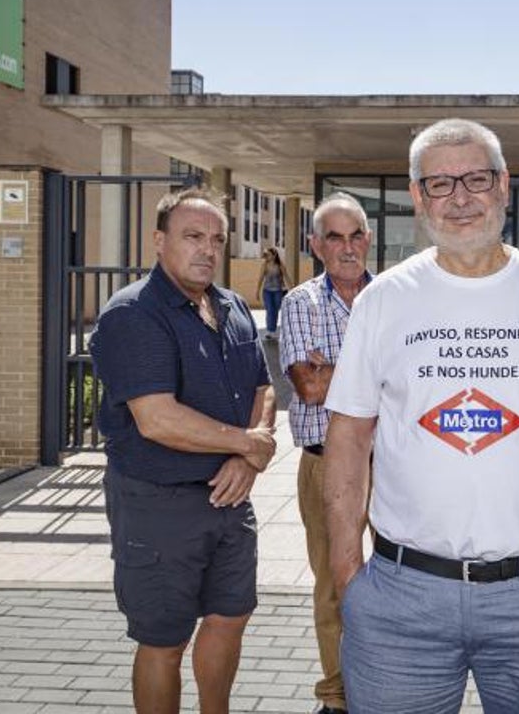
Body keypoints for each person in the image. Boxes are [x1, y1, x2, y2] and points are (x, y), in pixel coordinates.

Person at [322, 118, 519, 714]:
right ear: (417, 196)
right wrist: (347, 575)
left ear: (504, 185)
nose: (459, 198)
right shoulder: (384, 300)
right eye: (439, 184)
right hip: (399, 602)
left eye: (476, 179)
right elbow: (350, 436)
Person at [90, 186, 278, 714]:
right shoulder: (134, 314)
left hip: (228, 500)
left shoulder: (232, 306)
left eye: (216, 239)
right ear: (159, 240)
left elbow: (263, 389)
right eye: (193, 236)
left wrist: (245, 459)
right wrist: (249, 443)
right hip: (158, 503)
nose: (208, 249)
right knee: (164, 639)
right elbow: (157, 419)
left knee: (229, 617)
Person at [278, 191, 373, 714]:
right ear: (316, 245)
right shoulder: (301, 303)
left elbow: (412, 381)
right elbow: (309, 389)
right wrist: (375, 370)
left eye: (355, 234)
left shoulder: (394, 299)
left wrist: (332, 367)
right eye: (334, 236)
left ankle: (388, 684)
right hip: (326, 463)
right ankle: (338, 697)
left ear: (369, 239)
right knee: (335, 582)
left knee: (403, 579)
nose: (347, 246)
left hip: (394, 465)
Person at [256, 245, 290, 339]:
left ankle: (273, 329)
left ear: (274, 255)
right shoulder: (265, 265)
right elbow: (261, 278)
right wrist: (257, 291)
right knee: (270, 310)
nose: (267, 256)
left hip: (278, 291)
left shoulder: (280, 265)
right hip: (267, 291)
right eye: (267, 254)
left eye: (269, 254)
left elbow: (286, 276)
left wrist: (292, 289)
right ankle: (270, 330)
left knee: (275, 311)